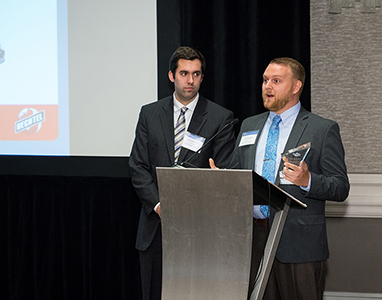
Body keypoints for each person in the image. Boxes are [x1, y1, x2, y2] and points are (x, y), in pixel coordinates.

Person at [211, 57, 350, 300]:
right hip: (252, 241)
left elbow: (340, 187)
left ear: (296, 86)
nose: (267, 86)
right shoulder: (248, 125)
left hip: (299, 245)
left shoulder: (322, 129)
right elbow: (238, 174)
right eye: (265, 80)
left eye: (276, 81)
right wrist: (224, 181)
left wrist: (308, 180)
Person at [129, 46, 236, 300]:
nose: (191, 80)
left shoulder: (221, 118)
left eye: (196, 74)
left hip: (199, 229)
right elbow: (138, 166)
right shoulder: (150, 113)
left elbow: (225, 170)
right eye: (184, 73)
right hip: (156, 227)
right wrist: (159, 206)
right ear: (171, 76)